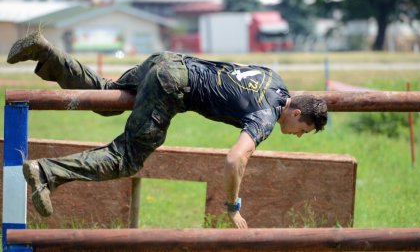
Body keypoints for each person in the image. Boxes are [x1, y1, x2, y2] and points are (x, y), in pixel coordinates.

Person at [7, 32, 328, 229]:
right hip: (172, 84)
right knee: (127, 159)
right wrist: (231, 207)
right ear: (296, 112)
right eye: (303, 129)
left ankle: (45, 51)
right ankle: (46, 173)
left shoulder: (275, 79)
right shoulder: (266, 116)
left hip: (168, 60)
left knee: (108, 97)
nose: (298, 134)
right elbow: (234, 160)